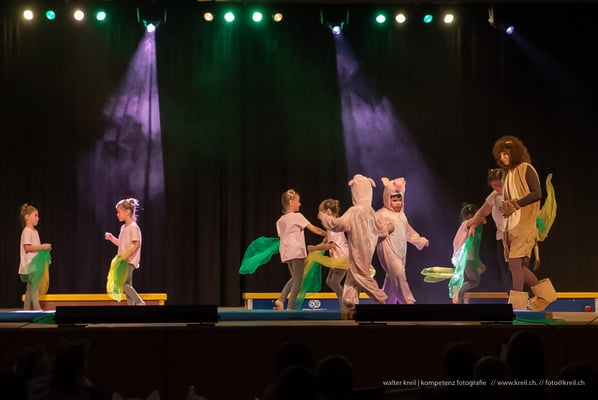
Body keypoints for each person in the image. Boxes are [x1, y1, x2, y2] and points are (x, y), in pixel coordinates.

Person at [491, 135, 557, 310]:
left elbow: (537, 193)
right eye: (501, 155)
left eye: (506, 154)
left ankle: (516, 306)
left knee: (515, 265)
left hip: (524, 224)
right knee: (516, 266)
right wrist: (506, 206)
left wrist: (515, 204)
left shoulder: (526, 168)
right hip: (510, 227)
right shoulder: (507, 174)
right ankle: (545, 295)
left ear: (515, 152)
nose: (503, 158)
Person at [318, 174, 390, 312]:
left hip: (358, 249)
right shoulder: (371, 211)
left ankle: (380, 297)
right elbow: (380, 230)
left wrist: (325, 218)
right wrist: (387, 228)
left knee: (361, 275)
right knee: (354, 274)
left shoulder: (354, 211)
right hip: (368, 249)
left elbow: (338, 224)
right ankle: (349, 300)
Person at [376, 177, 428, 304]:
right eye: (394, 200)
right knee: (399, 274)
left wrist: (419, 240)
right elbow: (374, 232)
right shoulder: (381, 214)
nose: (398, 203)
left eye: (400, 200)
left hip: (400, 251)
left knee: (393, 278)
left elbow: (407, 232)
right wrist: (385, 229)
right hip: (387, 249)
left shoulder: (401, 215)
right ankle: (408, 301)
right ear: (387, 199)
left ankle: (385, 303)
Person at [274, 189, 326, 310]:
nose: (300, 204)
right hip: (296, 250)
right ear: (291, 202)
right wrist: (328, 233)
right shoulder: (297, 216)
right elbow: (314, 229)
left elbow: (281, 236)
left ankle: (281, 300)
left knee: (295, 278)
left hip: (286, 252)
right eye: (298, 201)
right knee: (298, 280)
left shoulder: (280, 220)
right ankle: (290, 306)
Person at [469, 168, 511, 291]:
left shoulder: (512, 193)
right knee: (505, 269)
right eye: (493, 186)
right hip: (501, 236)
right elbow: (482, 212)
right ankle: (511, 297)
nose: (496, 188)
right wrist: (473, 224)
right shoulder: (494, 195)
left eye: (498, 185)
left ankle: (523, 295)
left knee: (516, 268)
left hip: (514, 236)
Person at [307, 199, 349, 311]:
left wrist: (314, 248)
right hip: (338, 258)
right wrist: (326, 235)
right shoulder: (333, 226)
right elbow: (332, 238)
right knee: (330, 281)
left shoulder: (333, 226)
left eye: (321, 212)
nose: (319, 215)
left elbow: (330, 245)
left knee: (334, 282)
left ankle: (347, 303)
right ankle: (344, 305)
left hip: (342, 259)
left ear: (328, 212)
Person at [104, 198, 145, 305]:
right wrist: (112, 238)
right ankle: (131, 305)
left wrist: (127, 255)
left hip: (129, 260)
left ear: (127, 212)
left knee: (122, 284)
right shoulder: (124, 227)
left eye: (119, 212)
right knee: (127, 284)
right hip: (123, 259)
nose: (117, 214)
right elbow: (121, 243)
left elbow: (137, 244)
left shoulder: (133, 227)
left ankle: (139, 302)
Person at [450, 203, 485, 304]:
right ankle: (457, 290)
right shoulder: (466, 224)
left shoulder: (469, 228)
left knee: (465, 281)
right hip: (466, 259)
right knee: (475, 280)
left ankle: (459, 301)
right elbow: (472, 222)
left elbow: (473, 249)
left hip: (464, 258)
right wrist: (481, 216)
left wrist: (479, 262)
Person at [19, 203, 52, 311]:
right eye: (35, 215)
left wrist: (44, 249)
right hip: (30, 264)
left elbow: (36, 248)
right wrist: (42, 247)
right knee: (34, 288)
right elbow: (27, 248)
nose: (38, 218)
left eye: (38, 216)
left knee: (30, 288)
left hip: (35, 263)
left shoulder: (35, 232)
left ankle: (26, 310)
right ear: (27, 217)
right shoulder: (27, 231)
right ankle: (37, 309)